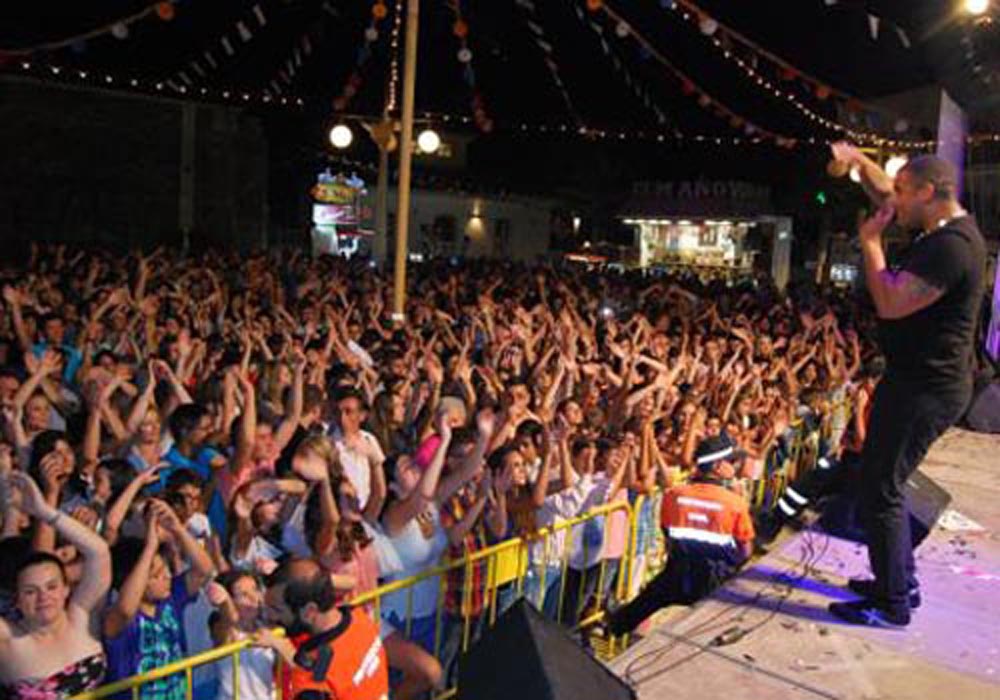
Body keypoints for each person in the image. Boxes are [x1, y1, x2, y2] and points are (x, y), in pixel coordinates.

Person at [827, 147, 986, 627]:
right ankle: (898, 579)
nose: (893, 201)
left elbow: (892, 303)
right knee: (883, 483)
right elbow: (883, 189)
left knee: (882, 488)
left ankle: (892, 604)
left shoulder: (951, 247)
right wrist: (856, 160)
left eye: (902, 192)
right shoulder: (943, 229)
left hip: (927, 387)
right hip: (920, 380)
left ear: (928, 193)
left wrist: (870, 243)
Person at [603, 434, 754, 636]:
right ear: (718, 466)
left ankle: (615, 626)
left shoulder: (674, 495)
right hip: (715, 579)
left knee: (649, 599)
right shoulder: (735, 502)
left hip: (678, 571)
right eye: (732, 462)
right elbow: (745, 551)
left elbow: (667, 531)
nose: (735, 467)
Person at [0, 470, 112, 698]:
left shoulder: (82, 618)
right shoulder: (8, 641)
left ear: (66, 590)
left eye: (51, 587)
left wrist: (44, 511)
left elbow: (99, 552)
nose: (43, 597)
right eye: (30, 592)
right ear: (17, 600)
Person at [265, 557, 388, 700]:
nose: (270, 616)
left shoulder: (311, 678)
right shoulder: (357, 616)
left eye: (276, 610)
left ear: (309, 612)